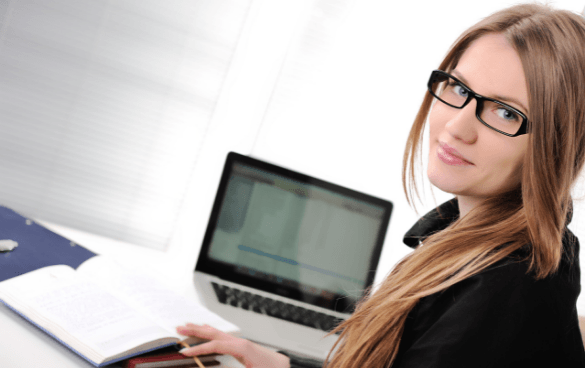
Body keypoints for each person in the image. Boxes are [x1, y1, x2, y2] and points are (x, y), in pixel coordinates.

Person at [177, 3, 585, 367]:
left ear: (557, 144)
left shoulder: (516, 279)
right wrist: (279, 364)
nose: (457, 127)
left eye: (506, 113)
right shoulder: (469, 240)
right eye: (459, 88)